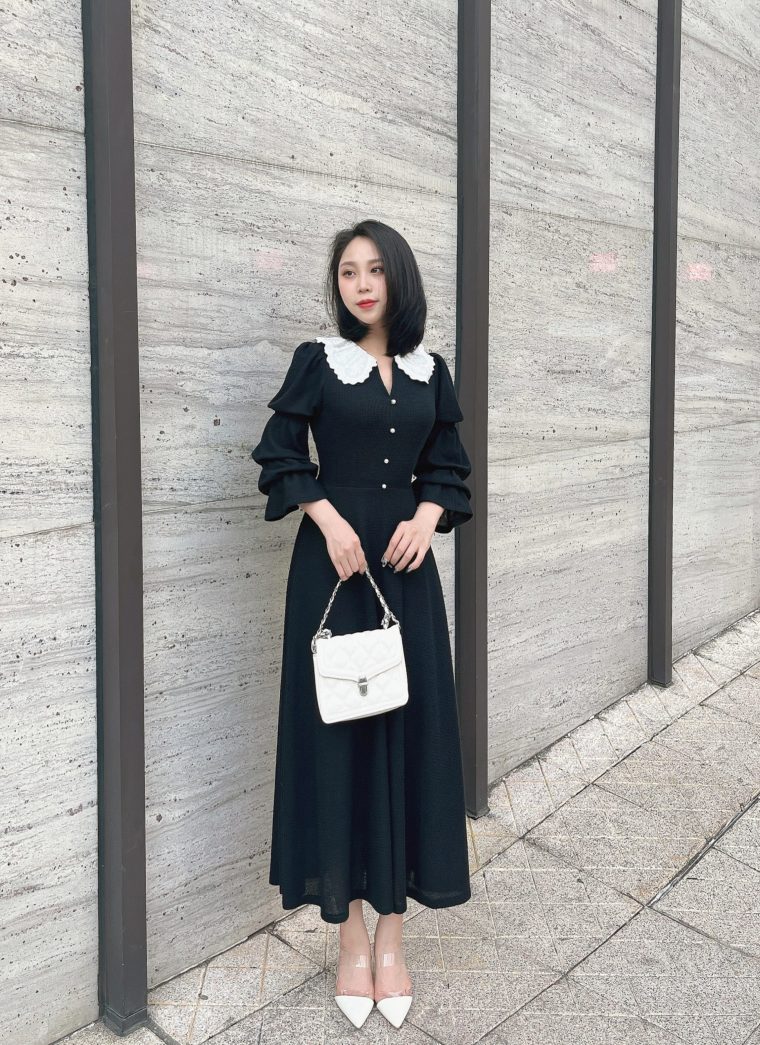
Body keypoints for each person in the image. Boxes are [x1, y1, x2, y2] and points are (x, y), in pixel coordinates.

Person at [250, 218, 474, 1029]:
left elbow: (450, 468)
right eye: (348, 272)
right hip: (333, 573)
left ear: (398, 277)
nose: (361, 284)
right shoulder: (318, 360)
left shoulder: (429, 370)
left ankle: (393, 937)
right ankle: (349, 938)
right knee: (337, 739)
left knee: (410, 736)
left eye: (375, 269)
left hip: (406, 579)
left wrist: (427, 515)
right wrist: (326, 517)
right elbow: (279, 453)